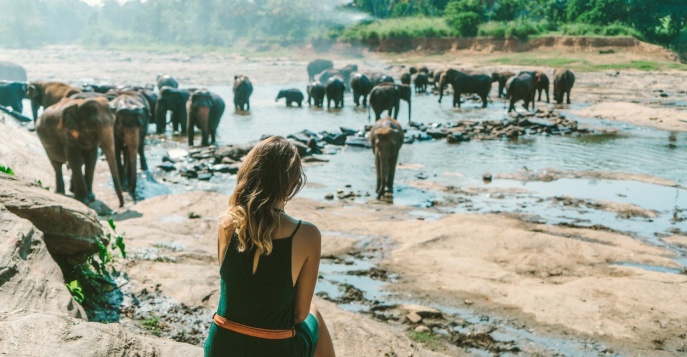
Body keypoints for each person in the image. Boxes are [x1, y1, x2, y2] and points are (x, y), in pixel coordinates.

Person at [204, 136, 336, 357]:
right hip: (274, 349)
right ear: (293, 183)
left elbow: (237, 289)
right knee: (314, 312)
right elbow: (299, 314)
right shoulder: (307, 234)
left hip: (222, 346)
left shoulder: (226, 224)